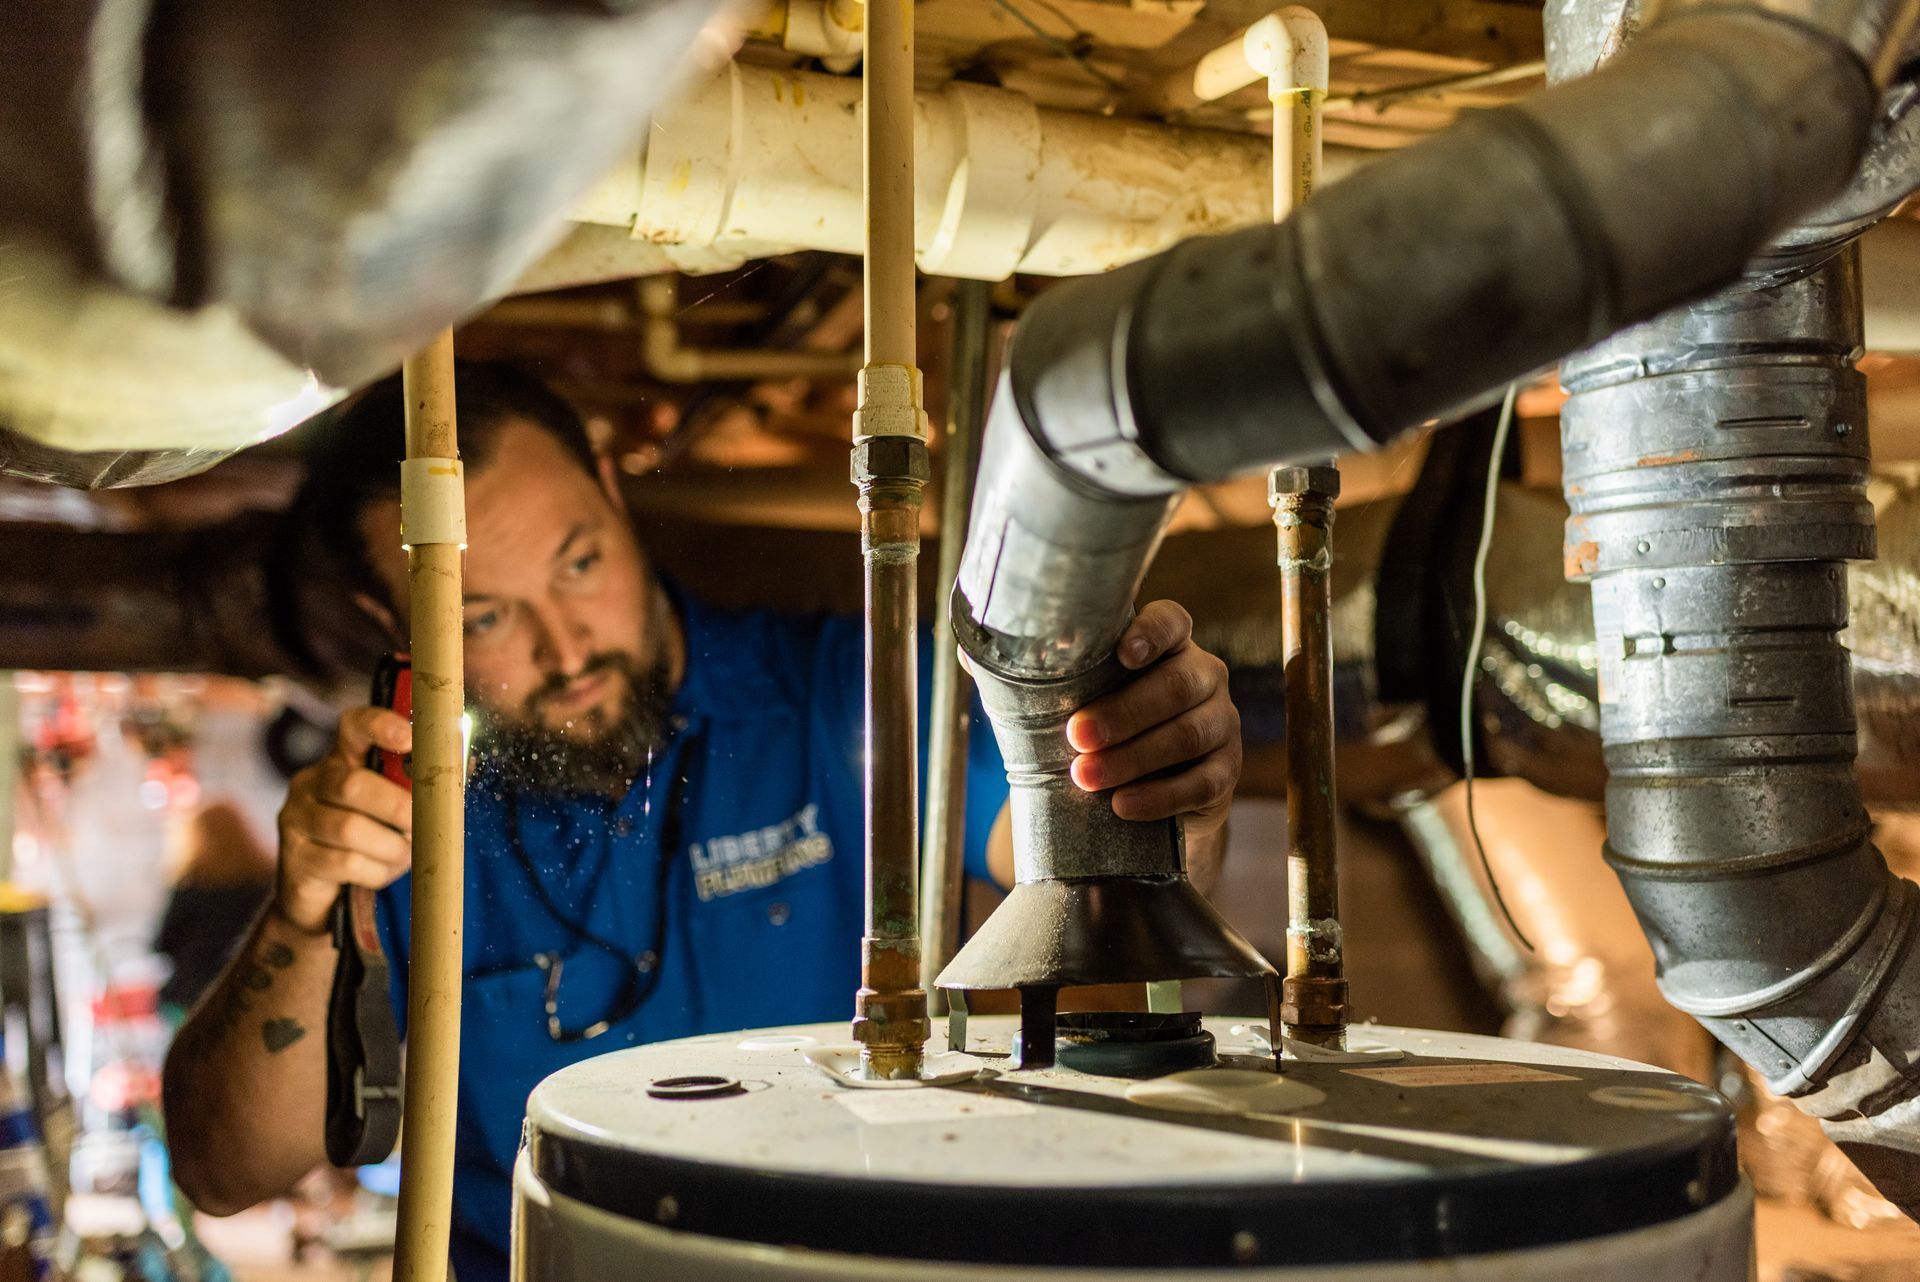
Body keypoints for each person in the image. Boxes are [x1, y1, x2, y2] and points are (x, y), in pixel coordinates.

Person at [161, 363, 1245, 1280]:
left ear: (615, 498)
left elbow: (1097, 869)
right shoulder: (405, 822)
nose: (567, 644)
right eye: (485, 615)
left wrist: (1164, 793)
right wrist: (305, 916)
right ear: (391, 623)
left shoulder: (850, 700)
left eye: (578, 562)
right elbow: (225, 1170)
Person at [153, 801, 277, 1017]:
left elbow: (163, 944)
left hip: (194, 995)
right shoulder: (268, 883)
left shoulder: (191, 886)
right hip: (254, 990)